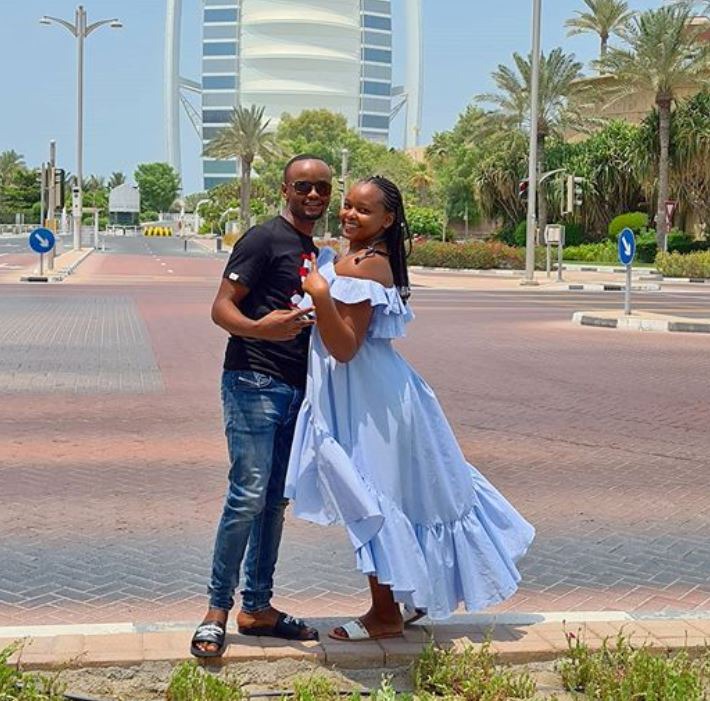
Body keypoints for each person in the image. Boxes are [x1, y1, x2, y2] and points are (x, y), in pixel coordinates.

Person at [285, 176, 535, 641]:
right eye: (348, 205)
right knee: (391, 494)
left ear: (387, 220)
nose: (349, 214)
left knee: (374, 497)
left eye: (363, 210)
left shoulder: (366, 267)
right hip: (368, 392)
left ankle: (385, 614)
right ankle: (409, 596)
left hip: (369, 398)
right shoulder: (356, 258)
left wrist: (319, 292)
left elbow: (345, 347)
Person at [191, 155, 333, 657]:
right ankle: (216, 611)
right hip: (253, 379)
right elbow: (220, 307)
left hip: (297, 389)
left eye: (321, 187)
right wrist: (259, 329)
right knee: (248, 494)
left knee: (274, 501)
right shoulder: (263, 239)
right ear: (285, 189)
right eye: (303, 186)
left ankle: (257, 608)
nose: (313, 195)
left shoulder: (315, 252)